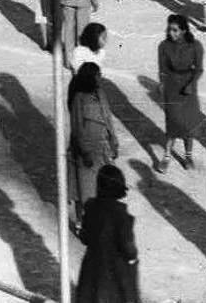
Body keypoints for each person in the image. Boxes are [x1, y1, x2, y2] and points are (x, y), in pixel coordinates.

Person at [74, 163, 139, 303]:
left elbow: (85, 237)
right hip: (114, 272)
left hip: (91, 268)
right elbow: (129, 250)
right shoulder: (120, 214)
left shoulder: (91, 206)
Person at [68, 62, 119, 229]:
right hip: (87, 151)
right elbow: (77, 127)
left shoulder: (101, 94)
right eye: (97, 75)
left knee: (103, 188)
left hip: (102, 148)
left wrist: (114, 142)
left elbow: (108, 119)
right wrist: (85, 151)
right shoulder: (78, 99)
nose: (100, 78)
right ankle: (81, 222)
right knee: (84, 190)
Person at [156, 14, 204, 171]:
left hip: (189, 87)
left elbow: (199, 69)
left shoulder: (195, 45)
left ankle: (188, 156)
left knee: (188, 124)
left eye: (175, 30)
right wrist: (161, 84)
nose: (171, 33)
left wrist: (191, 84)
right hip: (172, 86)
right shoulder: (163, 46)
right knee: (172, 122)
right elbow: (162, 70)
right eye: (170, 30)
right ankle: (167, 156)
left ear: (183, 31)